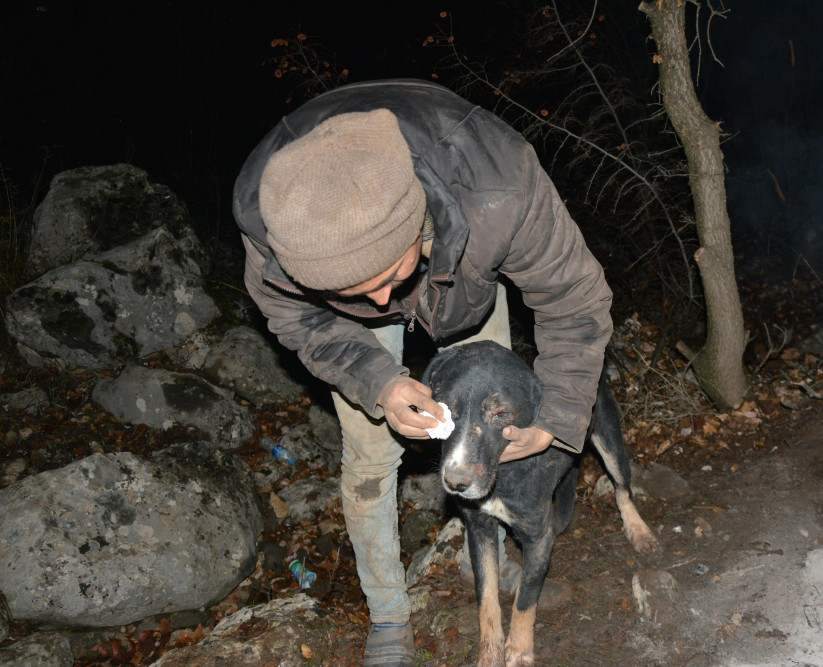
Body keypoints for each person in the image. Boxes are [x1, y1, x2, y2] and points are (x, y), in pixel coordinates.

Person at [233, 79, 612, 666]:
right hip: (342, 320)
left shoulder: (499, 185)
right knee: (370, 454)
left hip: (463, 273)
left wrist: (560, 419)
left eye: (391, 274)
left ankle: (487, 548)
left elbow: (575, 302)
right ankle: (388, 615)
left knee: (495, 416)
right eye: (358, 291)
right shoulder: (275, 228)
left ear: (417, 223)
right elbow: (302, 324)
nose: (385, 300)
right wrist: (379, 382)